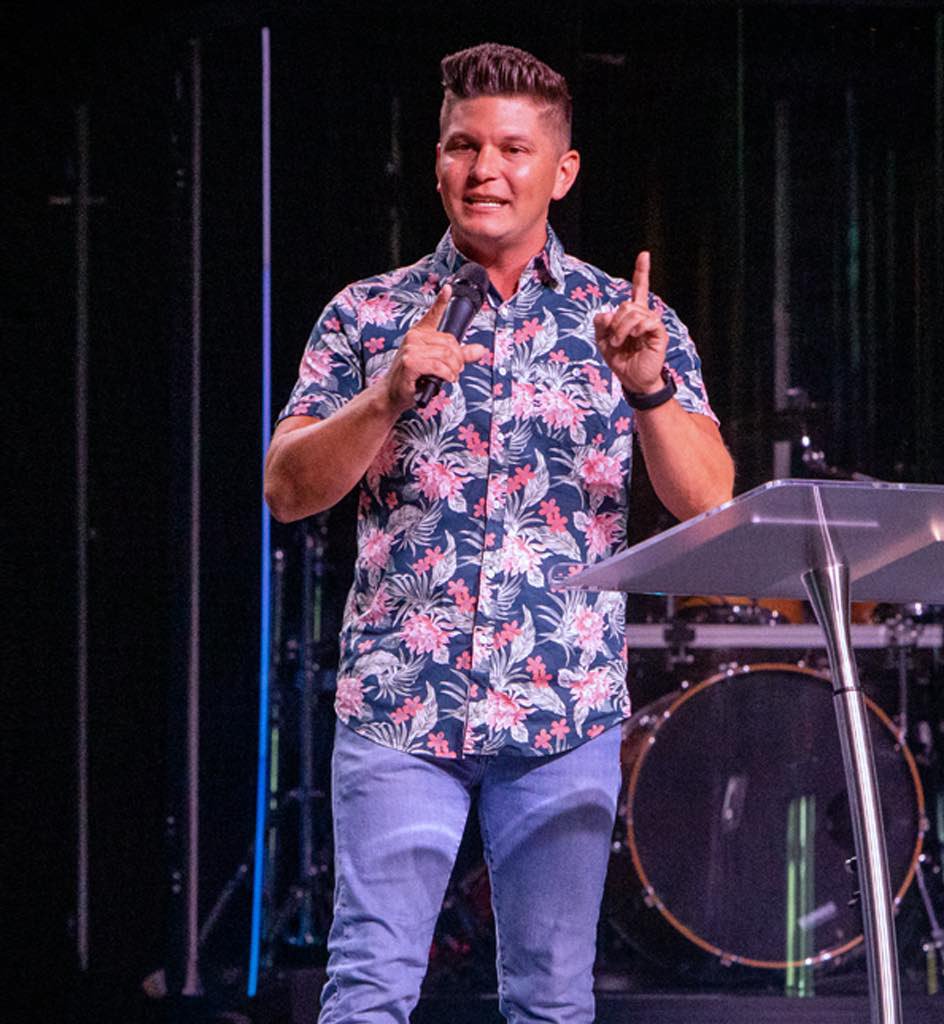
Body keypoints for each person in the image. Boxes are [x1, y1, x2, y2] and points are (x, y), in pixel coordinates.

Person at [265, 41, 733, 1024]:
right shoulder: (367, 314)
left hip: (562, 710)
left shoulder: (627, 320)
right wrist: (385, 395)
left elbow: (708, 499)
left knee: (551, 1001)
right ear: (437, 159)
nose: (485, 170)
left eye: (514, 149)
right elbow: (287, 489)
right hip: (402, 704)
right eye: (463, 146)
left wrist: (647, 386)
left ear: (561, 171)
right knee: (368, 990)